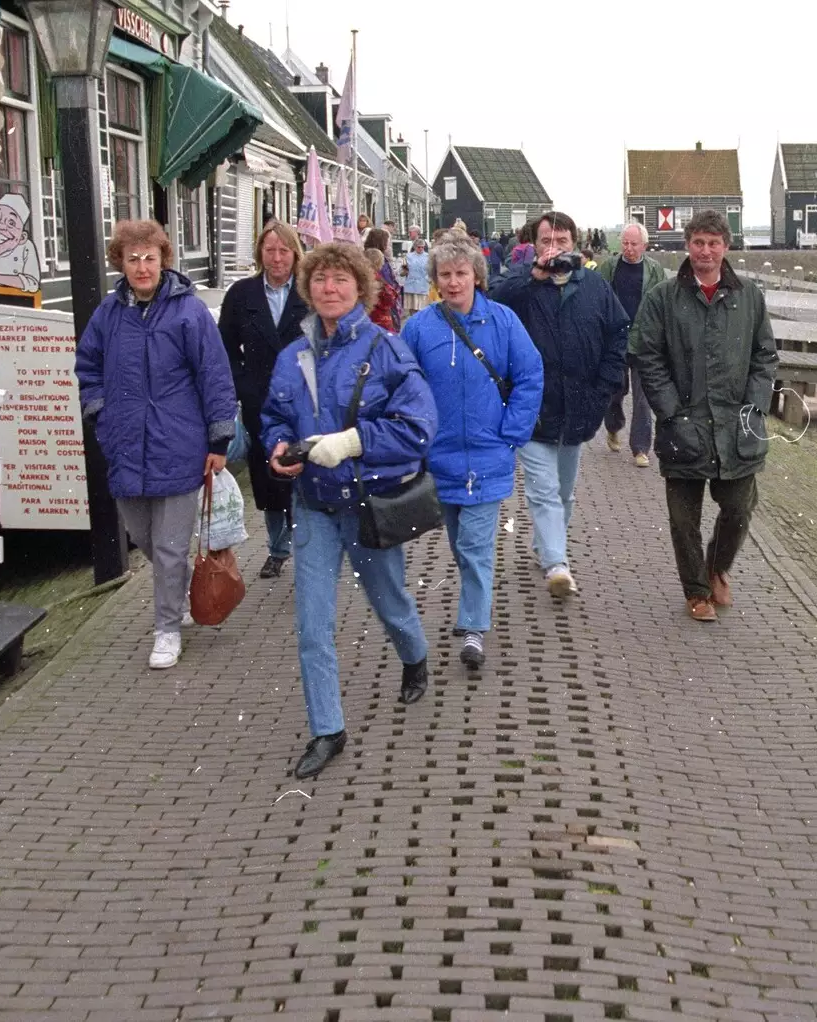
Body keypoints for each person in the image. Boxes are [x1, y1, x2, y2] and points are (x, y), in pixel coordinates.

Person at [260, 242, 438, 779]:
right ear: (307, 289)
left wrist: (353, 442)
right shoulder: (292, 357)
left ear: (360, 287)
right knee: (313, 624)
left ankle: (414, 656)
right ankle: (328, 729)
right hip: (312, 505)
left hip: (366, 506)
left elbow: (418, 427)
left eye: (340, 279)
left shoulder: (387, 350)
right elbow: (275, 416)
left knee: (390, 602)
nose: (329, 289)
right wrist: (276, 448)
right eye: (319, 280)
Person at [76, 220, 237, 667]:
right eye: (133, 259)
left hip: (179, 443)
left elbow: (215, 376)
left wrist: (219, 438)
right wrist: (100, 414)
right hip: (126, 444)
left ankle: (167, 629)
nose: (142, 267)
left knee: (168, 547)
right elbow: (87, 366)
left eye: (149, 258)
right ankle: (181, 587)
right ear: (121, 263)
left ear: (163, 259)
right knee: (143, 538)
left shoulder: (189, 313)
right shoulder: (108, 316)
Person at [400, 232, 542, 669]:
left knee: (478, 545)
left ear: (476, 276)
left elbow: (530, 376)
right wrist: (413, 436)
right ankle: (472, 607)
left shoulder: (503, 322)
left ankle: (474, 626)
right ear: (435, 279)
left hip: (487, 455)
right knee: (460, 543)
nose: (454, 282)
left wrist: (511, 433)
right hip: (439, 459)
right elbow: (401, 384)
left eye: (461, 273)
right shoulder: (419, 328)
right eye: (445, 274)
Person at [631, 209, 778, 623]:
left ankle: (716, 566)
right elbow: (647, 354)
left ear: (726, 247)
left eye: (714, 243)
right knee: (683, 519)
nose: (706, 251)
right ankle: (697, 591)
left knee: (739, 507)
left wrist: (753, 406)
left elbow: (764, 355)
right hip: (684, 423)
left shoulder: (748, 296)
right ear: (687, 245)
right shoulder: (663, 297)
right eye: (698, 243)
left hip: (737, 426)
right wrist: (671, 409)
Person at [489, 210, 629, 598]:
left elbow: (618, 336)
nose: (555, 247)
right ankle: (556, 563)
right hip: (530, 407)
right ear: (534, 245)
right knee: (543, 489)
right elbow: (490, 301)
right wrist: (530, 275)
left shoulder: (596, 288)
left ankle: (547, 546)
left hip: (579, 407)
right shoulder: (522, 285)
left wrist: (603, 389)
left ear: (575, 243)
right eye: (546, 240)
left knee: (564, 491)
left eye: (561, 240)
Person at [218, 222, 306, 579]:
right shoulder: (241, 295)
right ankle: (277, 548)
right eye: (270, 250)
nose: (277, 257)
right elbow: (224, 348)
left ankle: (309, 550)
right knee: (268, 477)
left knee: (303, 473)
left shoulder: (308, 290)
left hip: (302, 400)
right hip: (260, 400)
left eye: (284, 250)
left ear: (295, 253)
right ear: (260, 254)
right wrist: (243, 385)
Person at [597, 222, 666, 467]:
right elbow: (598, 299)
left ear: (644, 245)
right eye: (625, 243)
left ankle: (640, 448)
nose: (628, 248)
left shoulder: (655, 271)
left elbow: (663, 306)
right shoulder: (609, 268)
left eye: (633, 244)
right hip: (616, 340)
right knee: (615, 391)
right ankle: (613, 426)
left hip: (644, 342)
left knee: (643, 398)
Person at [364, 227, 405, 329]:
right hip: (380, 307)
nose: (388, 244)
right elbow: (386, 283)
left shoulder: (365, 255)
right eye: (386, 241)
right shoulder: (377, 257)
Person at [401, 239, 430, 314]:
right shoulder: (408, 256)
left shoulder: (428, 257)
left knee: (423, 309)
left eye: (422, 247)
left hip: (423, 285)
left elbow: (431, 271)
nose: (420, 249)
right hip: (411, 285)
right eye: (418, 247)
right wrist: (404, 270)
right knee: (412, 309)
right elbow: (402, 272)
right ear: (414, 247)